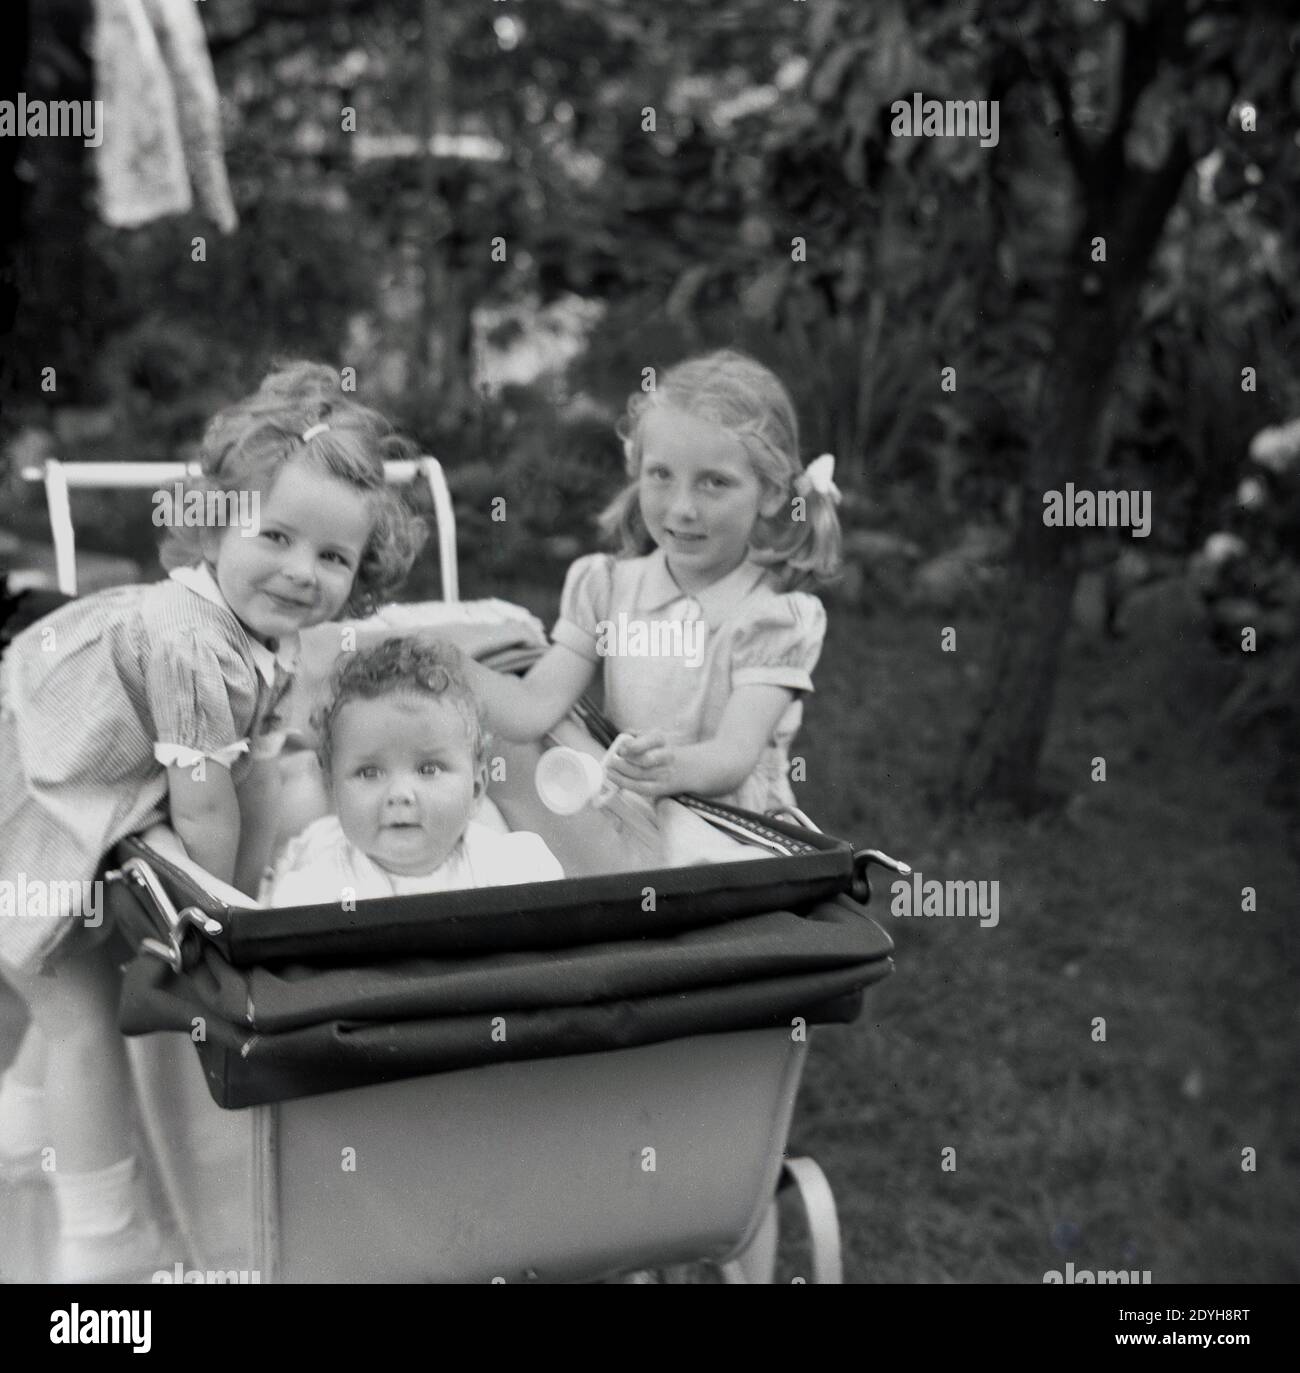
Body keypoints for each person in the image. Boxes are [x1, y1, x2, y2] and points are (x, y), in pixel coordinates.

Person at [0, 362, 424, 1281]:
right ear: (211, 524)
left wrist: (259, 889)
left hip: (78, 776)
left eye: (332, 557)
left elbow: (258, 774)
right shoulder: (193, 640)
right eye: (272, 534)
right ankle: (100, 1242)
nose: (300, 571)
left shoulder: (269, 640)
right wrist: (218, 916)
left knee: (75, 972)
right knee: (77, 1009)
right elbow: (202, 799)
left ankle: (21, 1128)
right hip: (26, 791)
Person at [465, 348, 842, 816]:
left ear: (769, 493)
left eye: (714, 483)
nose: (682, 507)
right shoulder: (605, 589)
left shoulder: (771, 618)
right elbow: (533, 706)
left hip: (736, 840)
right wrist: (447, 670)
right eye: (661, 475)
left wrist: (668, 768)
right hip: (637, 822)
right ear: (637, 471)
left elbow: (732, 756)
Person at [267, 637, 562, 905]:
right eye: (369, 773)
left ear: (475, 789)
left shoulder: (515, 873)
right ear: (333, 789)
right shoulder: (311, 893)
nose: (400, 795)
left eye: (428, 769)